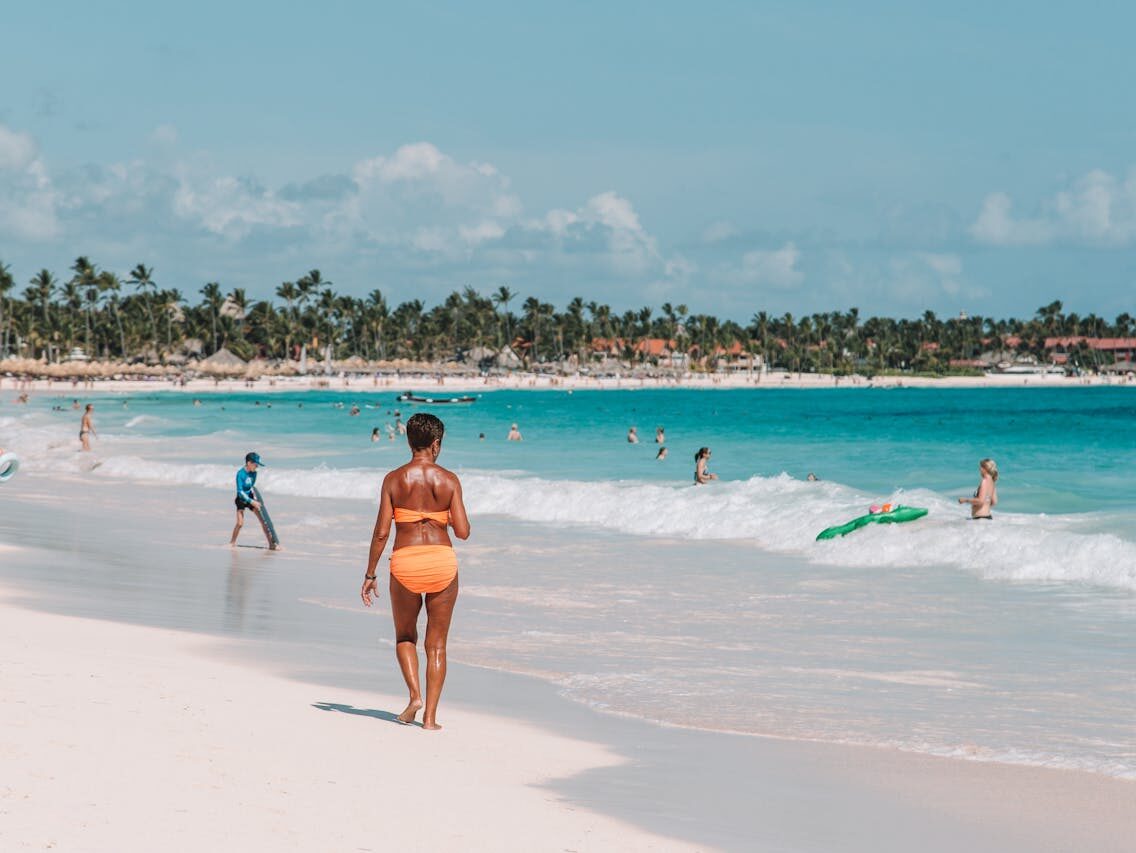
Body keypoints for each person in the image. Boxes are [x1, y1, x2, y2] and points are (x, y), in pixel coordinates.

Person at [361, 413, 470, 730]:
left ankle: (414, 696)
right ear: (436, 444)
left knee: (405, 636)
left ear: (409, 442)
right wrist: (442, 518)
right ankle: (431, 719)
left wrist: (370, 574)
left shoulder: (394, 479)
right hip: (441, 562)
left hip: (406, 562)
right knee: (436, 645)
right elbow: (463, 531)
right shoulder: (449, 480)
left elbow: (381, 533)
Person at [230, 452, 277, 549]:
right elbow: (240, 492)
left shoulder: (254, 474)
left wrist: (255, 500)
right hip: (241, 498)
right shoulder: (240, 474)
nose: (257, 467)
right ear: (248, 463)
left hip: (251, 497)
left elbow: (251, 487)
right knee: (240, 523)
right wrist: (252, 502)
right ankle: (232, 542)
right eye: (255, 464)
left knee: (263, 521)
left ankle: (271, 544)